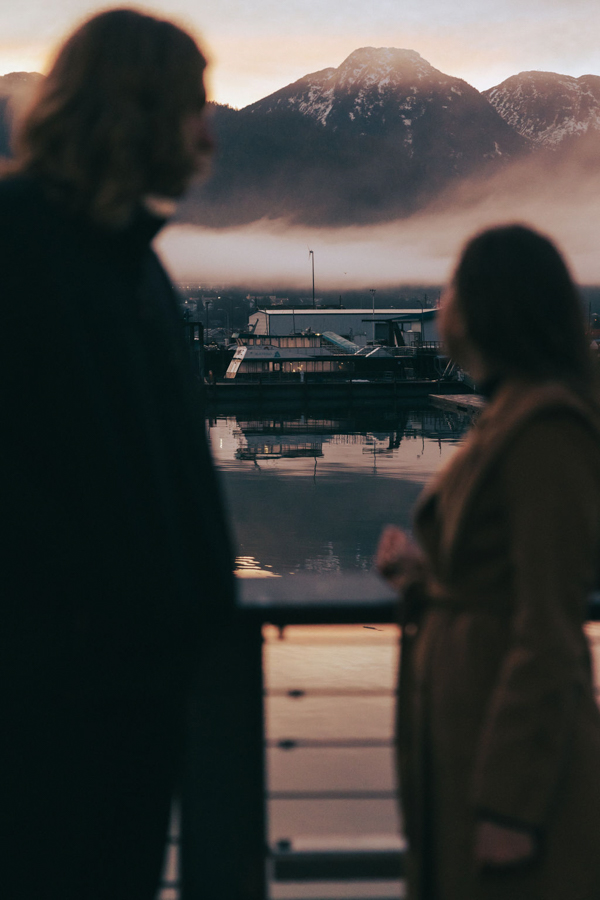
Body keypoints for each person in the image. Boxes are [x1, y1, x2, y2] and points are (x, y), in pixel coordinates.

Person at [0, 9, 235, 900]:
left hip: (135, 709)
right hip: (44, 715)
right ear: (137, 110)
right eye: (195, 106)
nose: (210, 133)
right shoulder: (17, 242)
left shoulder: (137, 264)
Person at [377, 224, 600, 900]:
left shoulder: (546, 432)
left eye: (450, 287)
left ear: (485, 306)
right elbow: (495, 574)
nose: (439, 302)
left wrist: (510, 805)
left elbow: (549, 627)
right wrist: (421, 574)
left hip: (509, 778)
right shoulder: (510, 416)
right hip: (464, 743)